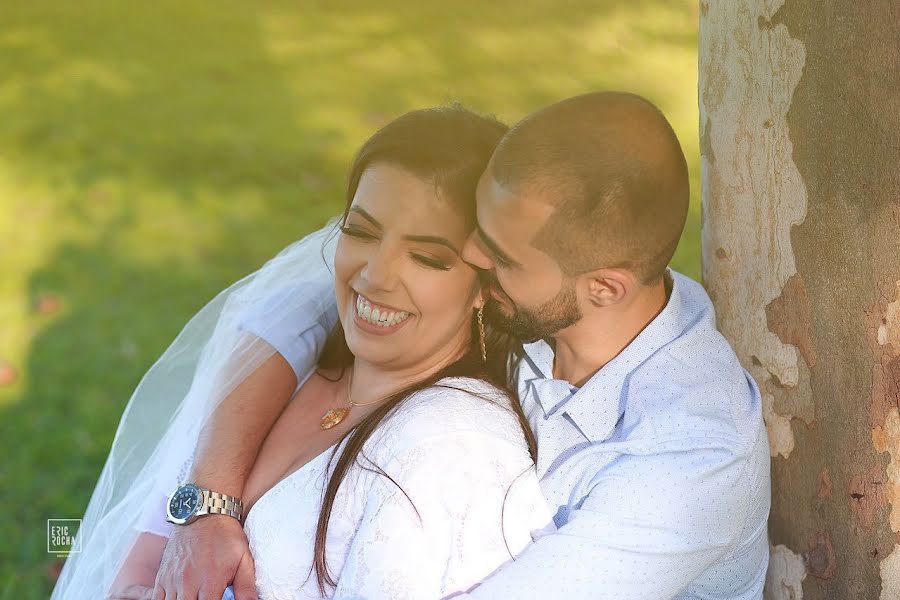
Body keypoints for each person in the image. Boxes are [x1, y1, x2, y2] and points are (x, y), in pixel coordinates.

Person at [149, 91, 771, 600]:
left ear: (604, 288)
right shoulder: (547, 298)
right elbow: (297, 311)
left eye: (496, 255)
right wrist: (209, 503)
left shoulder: (690, 458)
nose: (470, 258)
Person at [51, 105, 554, 599]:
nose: (375, 276)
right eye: (361, 232)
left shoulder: (450, 445)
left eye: (426, 257)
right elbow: (143, 557)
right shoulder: (288, 364)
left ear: (488, 284)